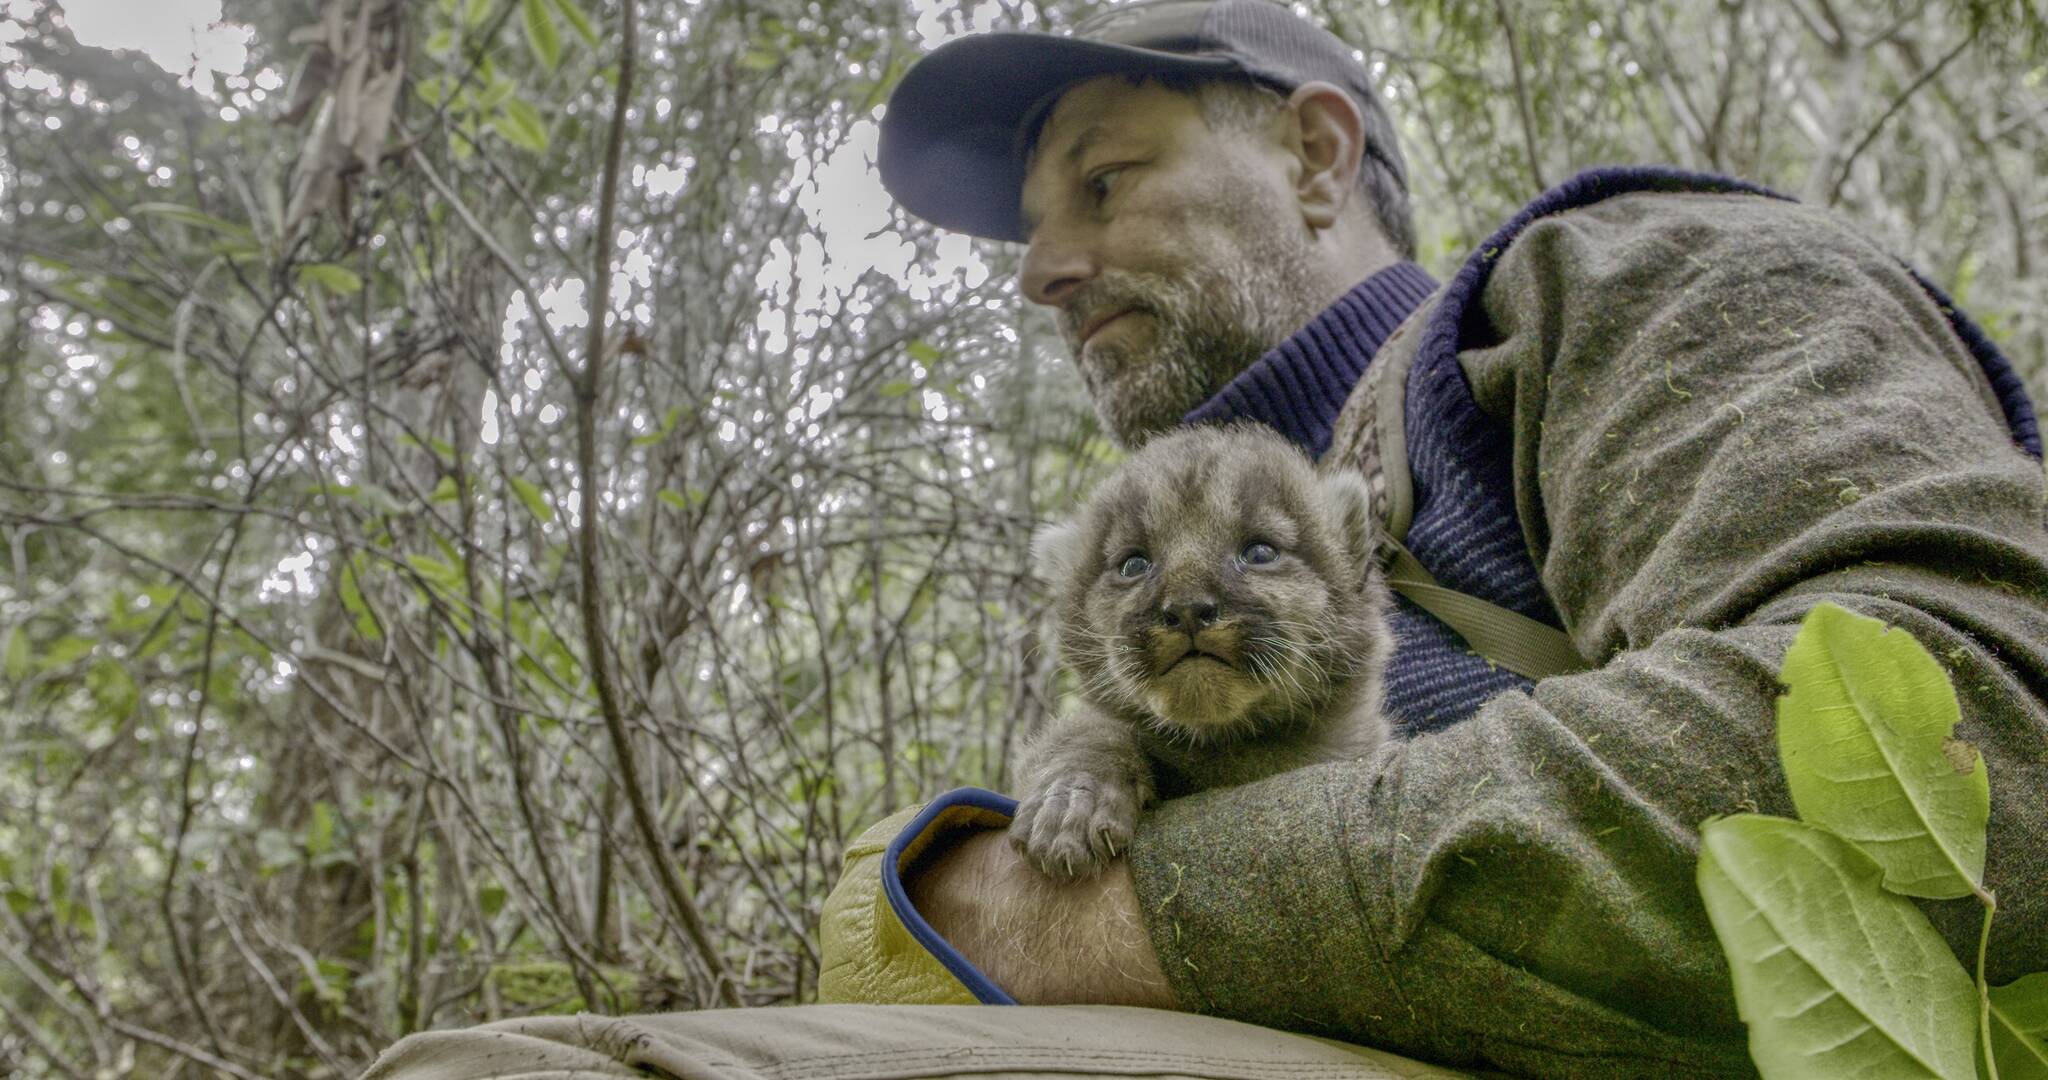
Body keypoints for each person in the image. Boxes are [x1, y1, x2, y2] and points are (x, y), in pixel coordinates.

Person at [364, 1, 2048, 1077]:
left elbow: (1981, 731)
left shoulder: (1611, 287)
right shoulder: (1153, 580)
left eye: (1102, 183)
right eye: (1031, 234)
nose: (1043, 271)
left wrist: (1087, 917)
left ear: (1316, 155)